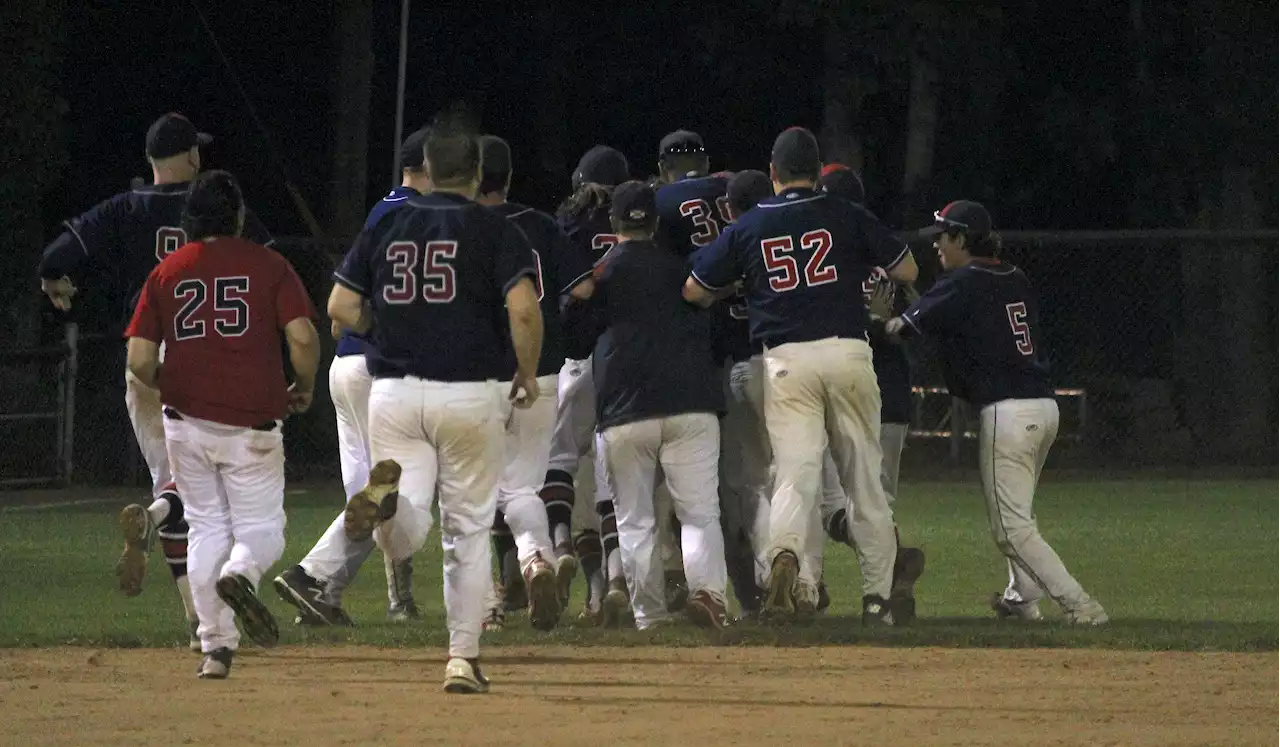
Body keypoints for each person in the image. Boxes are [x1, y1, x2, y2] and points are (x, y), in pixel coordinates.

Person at [38, 112, 272, 650]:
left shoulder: (126, 206)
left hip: (144, 355)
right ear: (190, 156)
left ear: (150, 161)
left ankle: (194, 615)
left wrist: (55, 282)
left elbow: (56, 255)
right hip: (209, 356)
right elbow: (269, 261)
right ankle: (199, 587)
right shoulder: (215, 204)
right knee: (219, 492)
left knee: (174, 479)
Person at [328, 118, 544, 693]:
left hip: (395, 392)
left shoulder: (389, 221)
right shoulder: (494, 229)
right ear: (475, 171)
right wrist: (525, 371)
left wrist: (383, 327)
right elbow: (523, 310)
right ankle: (462, 658)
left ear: (425, 166)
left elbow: (341, 304)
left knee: (410, 513)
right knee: (468, 531)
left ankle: (389, 508)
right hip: (470, 394)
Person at [685, 127, 919, 626]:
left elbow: (693, 288)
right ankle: (876, 601)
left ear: (773, 174)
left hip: (785, 359)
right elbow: (907, 269)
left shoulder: (749, 227)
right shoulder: (845, 212)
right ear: (816, 172)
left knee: (793, 476)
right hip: (848, 352)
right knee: (863, 482)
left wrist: (742, 278)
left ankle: (785, 555)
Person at [123, 170, 320, 679]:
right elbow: (301, 336)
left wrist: (173, 380)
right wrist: (305, 383)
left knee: (205, 526)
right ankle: (241, 574)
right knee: (263, 530)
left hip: (184, 421)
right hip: (251, 416)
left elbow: (140, 359)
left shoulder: (167, 270)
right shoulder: (269, 264)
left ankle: (215, 647)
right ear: (236, 217)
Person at [885, 200, 1108, 625]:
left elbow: (901, 330)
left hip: (1008, 413)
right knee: (1020, 514)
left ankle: (1082, 606)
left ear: (962, 239)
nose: (937, 247)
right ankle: (1021, 597)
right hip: (1044, 407)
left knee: (1010, 529)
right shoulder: (1014, 276)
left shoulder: (964, 281)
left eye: (942, 238)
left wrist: (882, 317)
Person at [272, 127, 433, 626]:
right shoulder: (415, 213)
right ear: (425, 168)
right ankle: (312, 576)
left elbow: (341, 307)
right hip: (376, 365)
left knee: (367, 499)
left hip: (346, 365)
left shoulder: (383, 209)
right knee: (394, 493)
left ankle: (327, 594)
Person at [568, 181, 730, 636]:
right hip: (691, 405)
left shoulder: (601, 276)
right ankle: (708, 594)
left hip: (625, 410)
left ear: (614, 223)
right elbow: (711, 329)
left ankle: (650, 617)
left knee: (634, 521)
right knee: (699, 512)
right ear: (656, 222)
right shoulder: (682, 269)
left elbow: (574, 340)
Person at [473, 134, 588, 632]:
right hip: (539, 371)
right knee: (523, 487)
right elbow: (581, 285)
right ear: (510, 178)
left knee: (472, 496)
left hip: (477, 375)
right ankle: (536, 558)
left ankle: (489, 607)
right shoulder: (539, 224)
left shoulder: (459, 229)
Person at [816, 162, 926, 621]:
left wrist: (876, 324)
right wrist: (886, 321)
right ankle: (894, 569)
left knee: (840, 505)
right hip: (890, 393)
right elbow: (921, 317)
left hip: (857, 392)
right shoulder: (882, 250)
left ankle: (885, 586)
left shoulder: (828, 257)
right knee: (870, 502)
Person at [540, 144, 630, 621]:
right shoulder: (637, 220)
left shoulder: (568, 223)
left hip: (577, 356)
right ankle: (615, 577)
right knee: (608, 476)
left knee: (559, 458)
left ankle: (558, 545)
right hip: (626, 357)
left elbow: (569, 288)